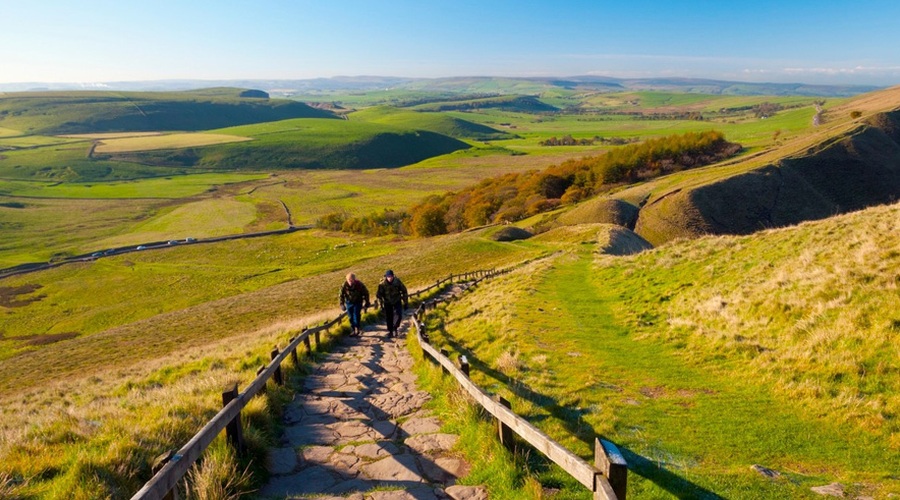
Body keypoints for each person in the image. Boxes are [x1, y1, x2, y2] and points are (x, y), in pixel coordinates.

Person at [375, 269, 408, 338]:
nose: (390, 278)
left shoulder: (397, 282)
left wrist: (405, 302)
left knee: (398, 315)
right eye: (388, 276)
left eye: (391, 276)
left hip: (397, 300)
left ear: (393, 276)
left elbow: (404, 291)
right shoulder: (382, 284)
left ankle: (395, 327)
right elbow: (379, 295)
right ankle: (390, 331)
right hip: (387, 302)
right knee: (389, 317)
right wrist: (381, 305)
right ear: (386, 277)